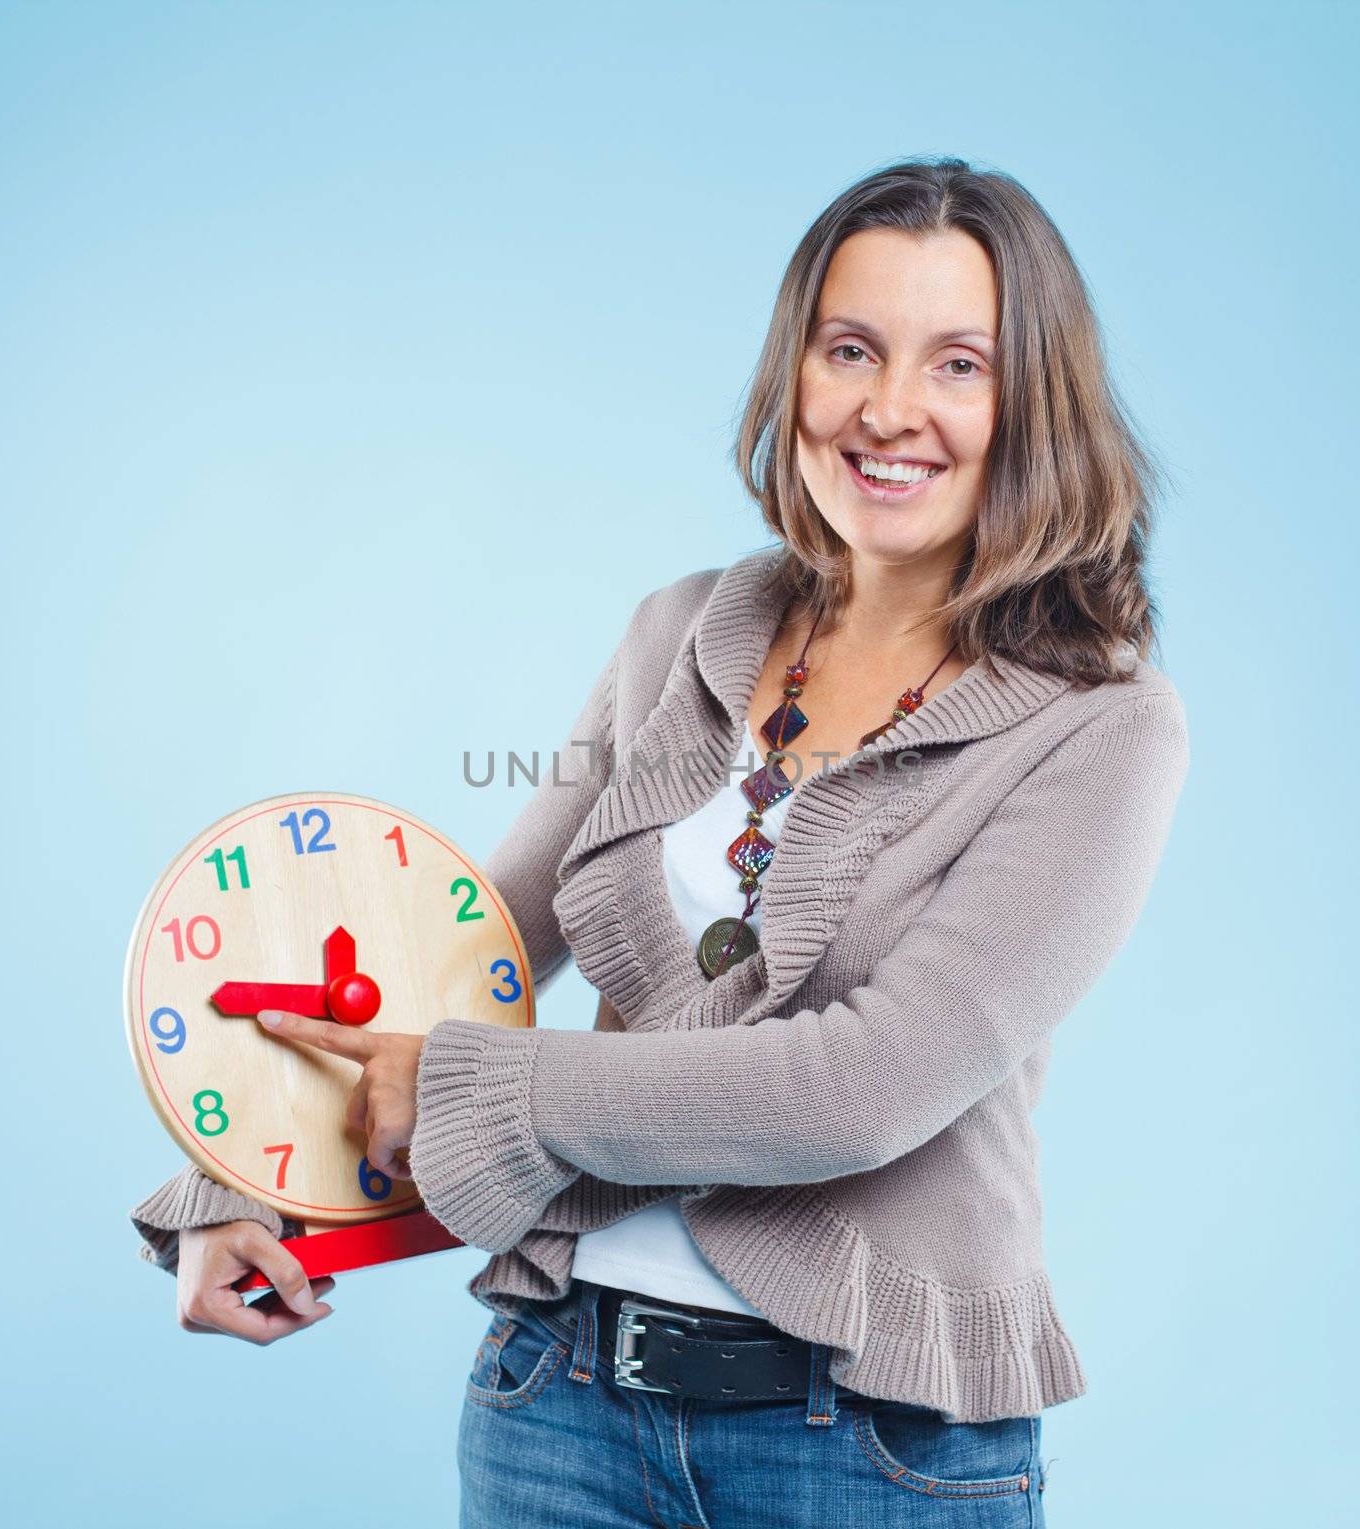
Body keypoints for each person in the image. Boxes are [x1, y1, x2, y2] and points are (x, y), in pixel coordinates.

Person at [131, 155, 1190, 1527]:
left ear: (1031, 402)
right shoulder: (683, 631)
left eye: (958, 366)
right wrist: (229, 1184)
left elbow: (862, 1087)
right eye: (851, 348)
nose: (889, 410)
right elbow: (472, 943)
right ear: (793, 373)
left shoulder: (1101, 727)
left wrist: (483, 1086)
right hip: (556, 1405)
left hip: (872, 1453)